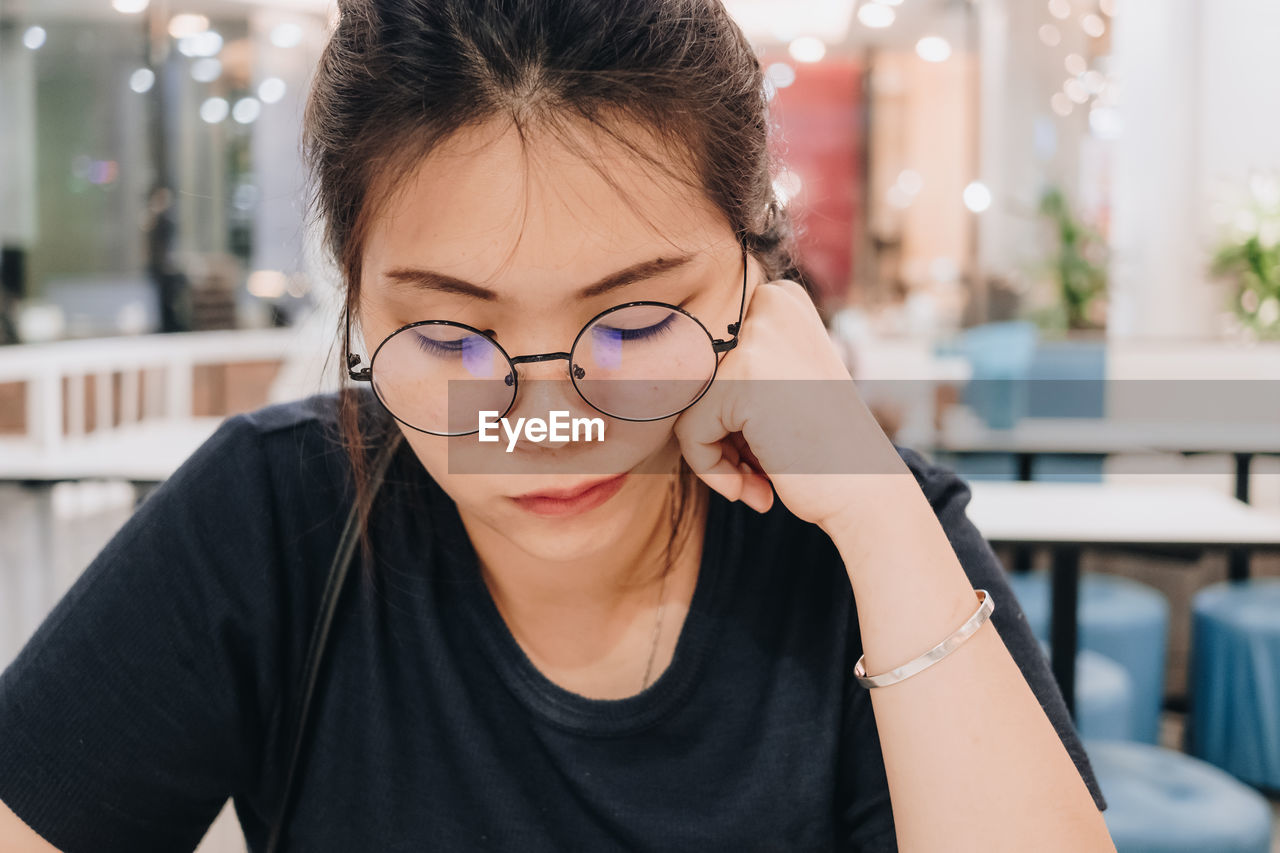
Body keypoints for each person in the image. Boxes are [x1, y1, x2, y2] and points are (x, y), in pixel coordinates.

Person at [0, 1, 1115, 850]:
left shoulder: (865, 531)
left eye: (633, 320)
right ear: (356, 303)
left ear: (752, 282)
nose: (543, 423)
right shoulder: (272, 518)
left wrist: (871, 506)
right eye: (446, 340)